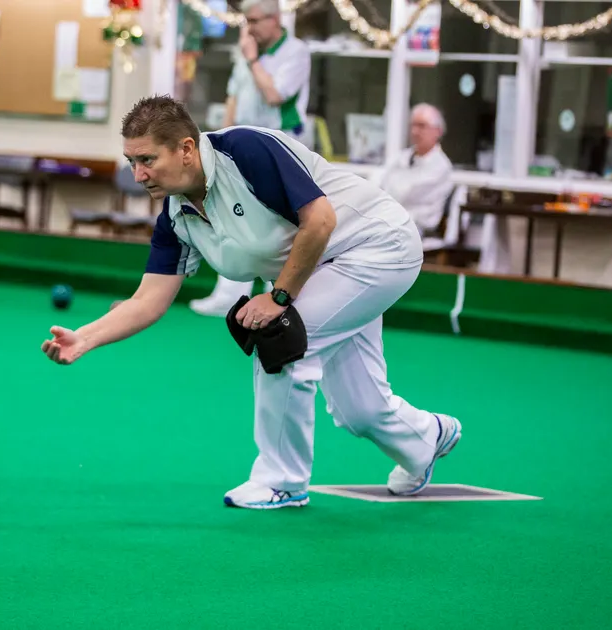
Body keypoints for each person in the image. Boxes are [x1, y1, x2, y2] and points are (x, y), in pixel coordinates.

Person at [40, 96, 462, 510]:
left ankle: (282, 481)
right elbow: (149, 300)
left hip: (377, 247)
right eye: (132, 161)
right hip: (322, 269)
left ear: (186, 149)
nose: (138, 174)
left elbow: (321, 220)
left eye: (147, 160)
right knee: (360, 410)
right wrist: (85, 338)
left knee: (281, 340)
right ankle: (426, 439)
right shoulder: (176, 214)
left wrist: (279, 297)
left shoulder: (245, 151)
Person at [189, 0, 312, 318]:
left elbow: (275, 95)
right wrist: (218, 140)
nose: (250, 28)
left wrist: (253, 59)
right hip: (241, 147)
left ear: (275, 20)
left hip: (279, 147)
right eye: (246, 21)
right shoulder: (246, 51)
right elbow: (234, 95)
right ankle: (230, 293)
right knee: (233, 215)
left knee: (279, 223)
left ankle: (281, 294)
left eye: (255, 21)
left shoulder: (295, 52)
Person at [372, 103, 453, 235]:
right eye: (413, 125)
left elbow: (405, 192)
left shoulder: (441, 167)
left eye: (422, 126)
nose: (415, 131)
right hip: (388, 221)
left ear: (437, 131)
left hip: (415, 230)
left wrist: (384, 196)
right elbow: (376, 180)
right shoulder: (400, 157)